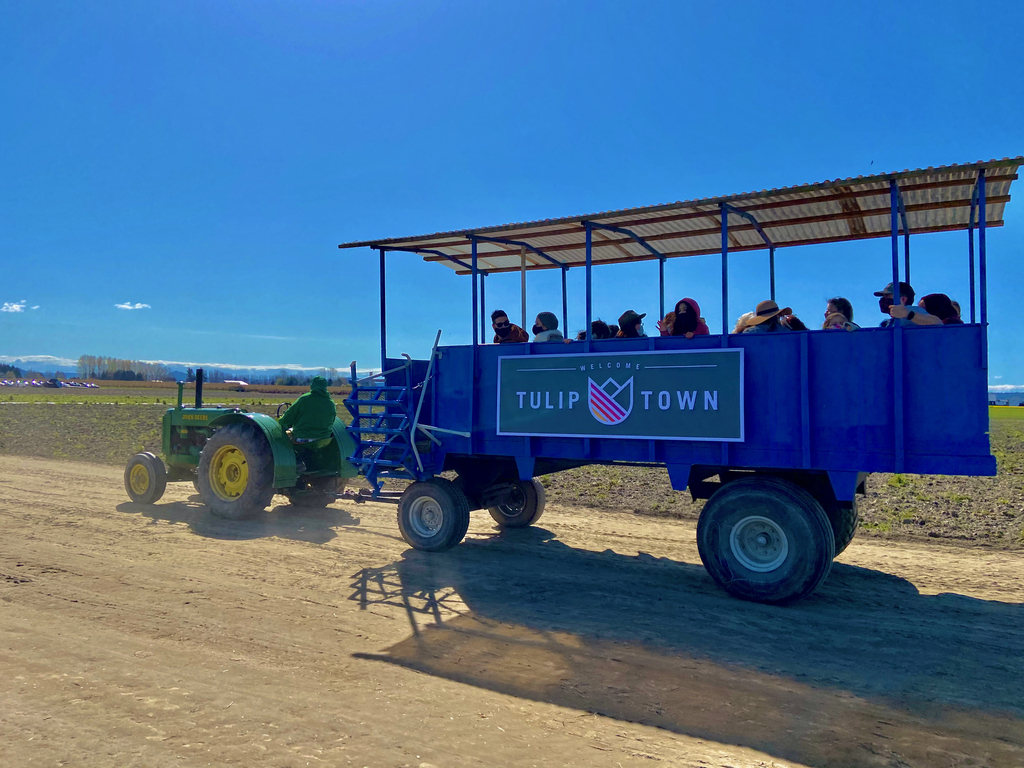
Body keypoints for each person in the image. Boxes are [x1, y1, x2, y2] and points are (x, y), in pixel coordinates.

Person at [277, 375, 336, 441]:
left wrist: (280, 420)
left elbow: (288, 417)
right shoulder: (330, 402)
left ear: (312, 385)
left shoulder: (304, 399)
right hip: (324, 439)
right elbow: (332, 419)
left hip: (303, 437)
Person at [874, 281, 941, 327]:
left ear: (903, 299)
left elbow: (937, 323)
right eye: (883, 296)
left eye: (887, 296)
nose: (883, 299)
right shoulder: (886, 323)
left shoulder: (911, 310)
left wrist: (907, 314)